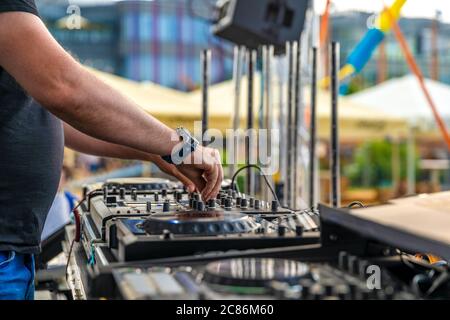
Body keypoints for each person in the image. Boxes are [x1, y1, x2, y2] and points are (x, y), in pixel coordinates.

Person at [0, 0, 223, 300]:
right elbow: (64, 88)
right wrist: (180, 146)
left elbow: (60, 119)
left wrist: (154, 151)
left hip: (14, 254)